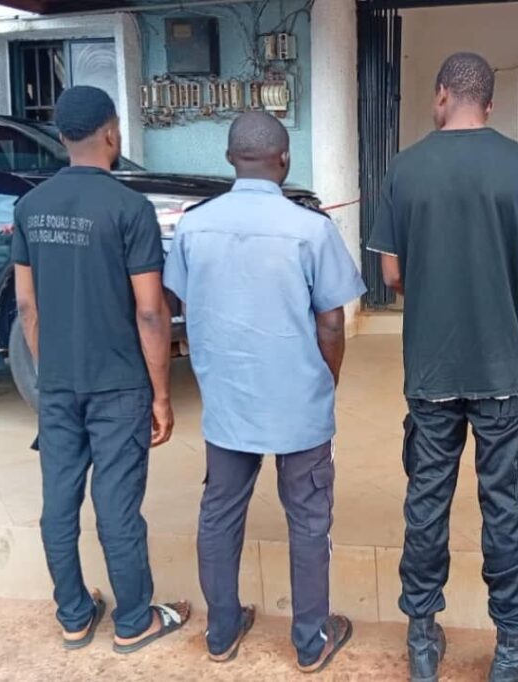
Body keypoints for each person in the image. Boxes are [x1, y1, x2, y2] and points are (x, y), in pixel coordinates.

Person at [367, 52, 518, 682]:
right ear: (488, 102)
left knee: (426, 502)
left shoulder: (403, 168)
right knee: (506, 507)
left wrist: (433, 287)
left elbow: (392, 274)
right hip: (504, 372)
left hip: (430, 373)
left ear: (441, 96)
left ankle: (423, 643)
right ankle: (510, 651)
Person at [163, 111, 365, 671]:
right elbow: (331, 322)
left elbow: (184, 305)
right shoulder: (311, 229)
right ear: (285, 160)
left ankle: (221, 632)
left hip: (228, 402)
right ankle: (311, 641)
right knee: (309, 519)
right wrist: (326, 381)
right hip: (299, 403)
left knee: (219, 514)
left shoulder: (194, 226)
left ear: (230, 159)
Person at [12, 85, 190, 653]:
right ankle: (135, 620)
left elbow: (26, 305)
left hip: (59, 385)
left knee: (58, 502)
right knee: (116, 505)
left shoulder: (29, 207)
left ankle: (73, 616)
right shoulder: (129, 209)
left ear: (62, 137)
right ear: (112, 134)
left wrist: (49, 371)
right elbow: (150, 311)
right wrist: (161, 394)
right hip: (118, 385)